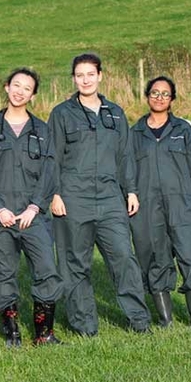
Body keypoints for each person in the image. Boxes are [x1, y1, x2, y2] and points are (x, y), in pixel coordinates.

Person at [48, 52, 151, 335]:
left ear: (100, 76)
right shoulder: (61, 114)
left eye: (90, 74)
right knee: (75, 264)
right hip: (73, 199)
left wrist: (131, 190)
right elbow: (52, 158)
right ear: (73, 79)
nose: (85, 80)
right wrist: (54, 194)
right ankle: (85, 326)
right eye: (80, 75)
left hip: (109, 199)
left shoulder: (115, 113)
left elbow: (125, 155)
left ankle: (139, 322)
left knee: (124, 259)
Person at [0, 68, 62, 347]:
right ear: (6, 87)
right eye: (16, 85)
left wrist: (35, 207)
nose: (20, 91)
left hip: (31, 216)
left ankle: (43, 334)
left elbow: (49, 171)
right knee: (2, 273)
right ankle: (12, 333)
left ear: (33, 94)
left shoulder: (42, 130)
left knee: (47, 269)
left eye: (27, 88)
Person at [129, 76, 191, 328]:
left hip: (183, 205)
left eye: (165, 94)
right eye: (155, 93)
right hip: (147, 207)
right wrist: (130, 195)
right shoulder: (135, 134)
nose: (159, 98)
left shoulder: (183, 130)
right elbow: (128, 170)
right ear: (147, 96)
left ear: (172, 99)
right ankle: (165, 320)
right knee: (154, 258)